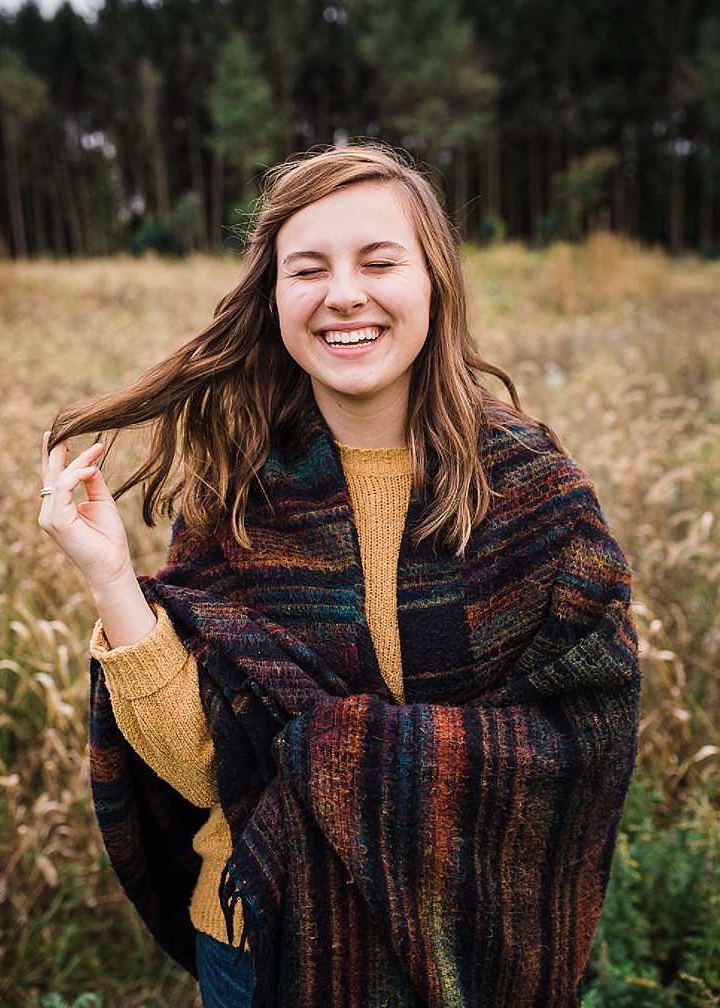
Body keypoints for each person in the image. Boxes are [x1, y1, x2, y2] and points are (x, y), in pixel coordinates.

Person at [38, 144, 640, 1007]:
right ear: (275, 298)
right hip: (264, 953)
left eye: (379, 261)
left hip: (464, 959)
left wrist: (335, 748)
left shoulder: (530, 488)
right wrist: (112, 581)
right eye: (307, 269)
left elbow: (585, 740)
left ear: (433, 280)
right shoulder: (237, 493)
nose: (343, 294)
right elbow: (211, 769)